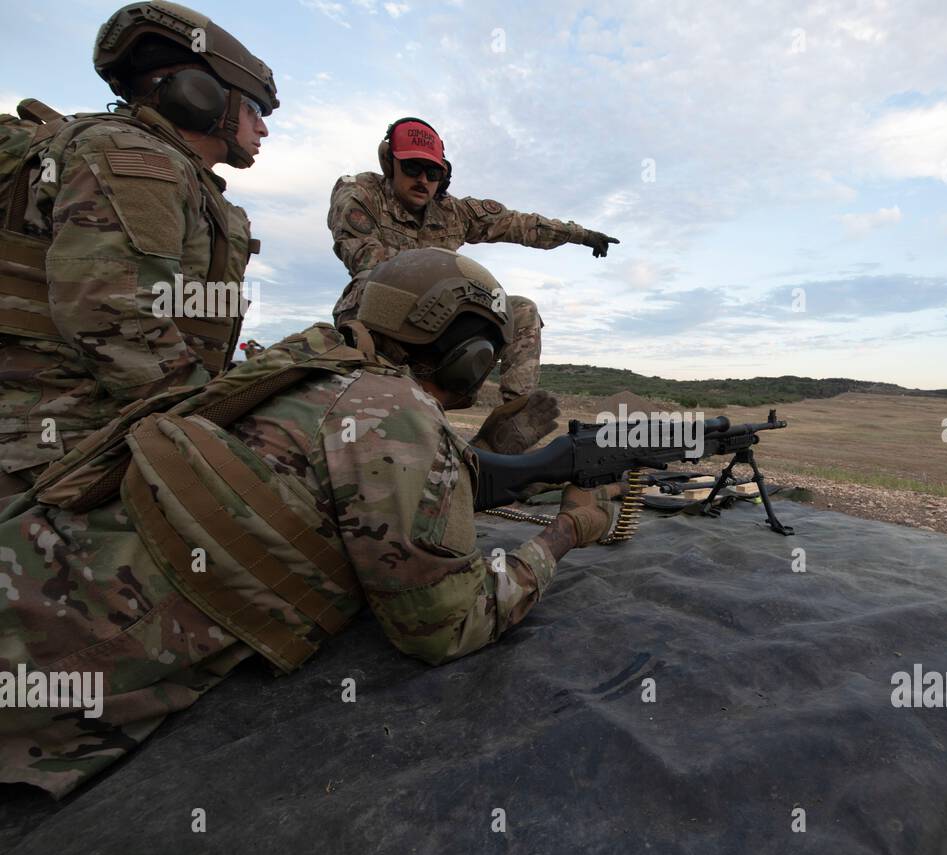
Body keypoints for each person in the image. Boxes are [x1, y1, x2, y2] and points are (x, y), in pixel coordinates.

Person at [0, 247, 621, 798]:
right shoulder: (393, 411)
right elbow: (445, 626)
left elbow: (347, 488)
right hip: (49, 668)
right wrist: (568, 530)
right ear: (471, 354)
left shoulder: (302, 366)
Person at [0, 1, 277, 495]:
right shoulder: (139, 159)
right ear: (203, 96)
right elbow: (115, 311)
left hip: (83, 427)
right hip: (69, 440)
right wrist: (207, 422)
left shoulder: (149, 159)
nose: (263, 129)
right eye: (254, 108)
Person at [327, 116, 619, 405]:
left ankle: (514, 419)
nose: (423, 180)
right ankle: (387, 396)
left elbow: (518, 224)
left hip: (441, 317)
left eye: (433, 172)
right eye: (412, 167)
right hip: (382, 310)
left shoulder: (453, 212)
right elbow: (367, 262)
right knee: (369, 285)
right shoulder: (361, 194)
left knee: (521, 311)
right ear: (389, 163)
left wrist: (581, 235)